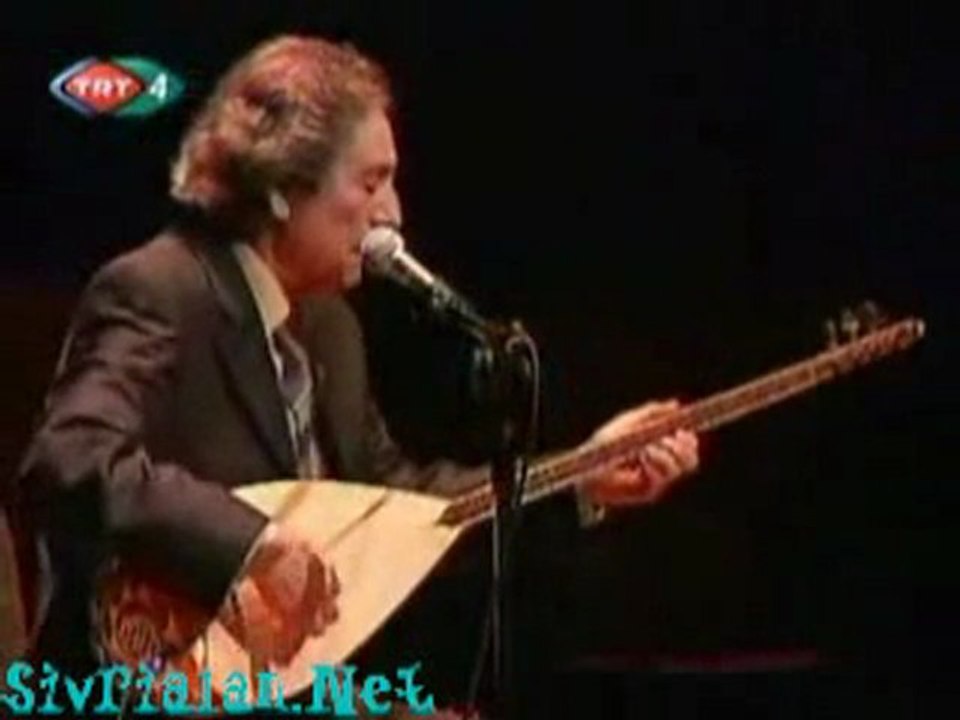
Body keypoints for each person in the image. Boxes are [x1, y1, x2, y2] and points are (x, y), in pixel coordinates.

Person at [7, 35, 699, 717]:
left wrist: (579, 477)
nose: (392, 214)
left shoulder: (330, 327)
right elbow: (70, 459)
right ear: (283, 188)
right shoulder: (162, 286)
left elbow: (391, 504)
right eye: (370, 183)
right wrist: (250, 543)